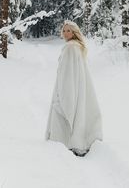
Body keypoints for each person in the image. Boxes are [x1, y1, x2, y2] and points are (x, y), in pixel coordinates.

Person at [45, 20, 103, 156]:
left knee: (65, 113)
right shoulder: (77, 47)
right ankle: (79, 141)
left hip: (69, 88)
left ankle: (66, 144)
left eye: (68, 30)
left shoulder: (70, 48)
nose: (65, 33)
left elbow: (67, 76)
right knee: (79, 112)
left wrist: (62, 96)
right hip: (79, 88)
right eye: (64, 30)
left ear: (74, 32)